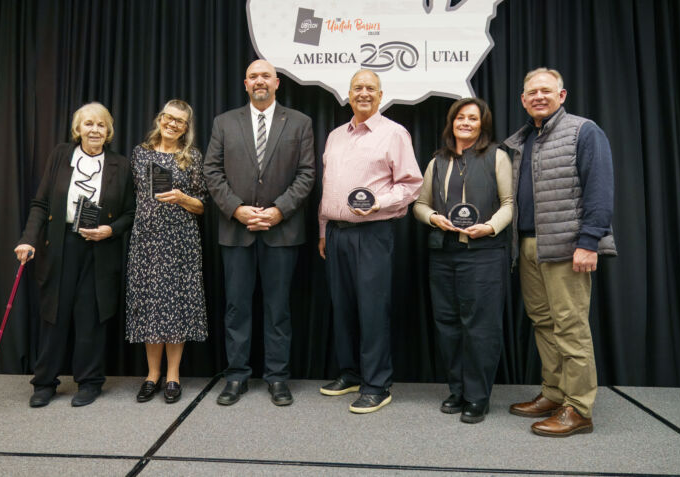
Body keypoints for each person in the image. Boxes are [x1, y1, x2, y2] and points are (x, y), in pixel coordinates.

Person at [504, 68, 616, 436]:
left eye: (545, 91)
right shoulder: (521, 140)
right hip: (529, 244)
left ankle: (579, 408)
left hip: (568, 247)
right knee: (544, 323)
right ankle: (554, 393)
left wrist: (589, 241)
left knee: (571, 325)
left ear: (561, 95)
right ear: (523, 100)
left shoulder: (584, 131)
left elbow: (599, 188)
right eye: (531, 92)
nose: (538, 96)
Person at [203, 59, 315, 407]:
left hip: (281, 231)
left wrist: (278, 211)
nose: (259, 81)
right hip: (236, 231)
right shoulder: (225, 122)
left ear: (277, 82)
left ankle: (277, 377)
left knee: (278, 308)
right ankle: (236, 375)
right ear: (245, 83)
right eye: (253, 76)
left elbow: (307, 174)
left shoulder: (300, 122)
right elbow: (212, 170)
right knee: (237, 308)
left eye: (266, 75)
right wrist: (237, 209)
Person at [15, 102, 134, 408]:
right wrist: (28, 239)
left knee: (91, 315)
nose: (95, 130)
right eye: (88, 124)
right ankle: (44, 382)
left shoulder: (120, 164)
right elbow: (41, 203)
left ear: (109, 131)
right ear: (78, 129)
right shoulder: (60, 155)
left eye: (101, 125)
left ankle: (90, 381)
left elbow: (131, 212)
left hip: (100, 249)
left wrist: (110, 230)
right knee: (54, 314)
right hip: (62, 245)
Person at [318, 69, 423, 414]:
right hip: (336, 234)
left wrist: (379, 203)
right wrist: (323, 231)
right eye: (357, 87)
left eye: (370, 88)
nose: (363, 93)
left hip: (372, 233)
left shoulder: (394, 134)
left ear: (380, 96)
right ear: (348, 93)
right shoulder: (335, 136)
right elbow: (328, 186)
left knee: (372, 310)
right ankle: (349, 373)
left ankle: (377, 384)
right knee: (342, 306)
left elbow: (411, 184)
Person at [413, 98, 512, 423]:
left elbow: (509, 204)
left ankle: (477, 397)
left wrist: (491, 226)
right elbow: (420, 204)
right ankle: (457, 390)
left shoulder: (497, 156)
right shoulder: (437, 161)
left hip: (483, 255)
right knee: (448, 326)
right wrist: (433, 219)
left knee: (480, 328)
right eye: (460, 117)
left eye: (473, 118)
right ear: (451, 122)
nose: (466, 122)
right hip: (444, 254)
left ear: (482, 124)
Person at [126, 100, 208, 404]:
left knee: (177, 306)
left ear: (187, 128)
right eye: (169, 118)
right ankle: (152, 374)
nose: (173, 124)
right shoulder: (140, 153)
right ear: (160, 119)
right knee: (150, 306)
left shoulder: (192, 158)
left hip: (180, 240)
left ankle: (173, 375)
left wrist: (182, 198)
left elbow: (202, 205)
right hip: (146, 240)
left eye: (180, 122)